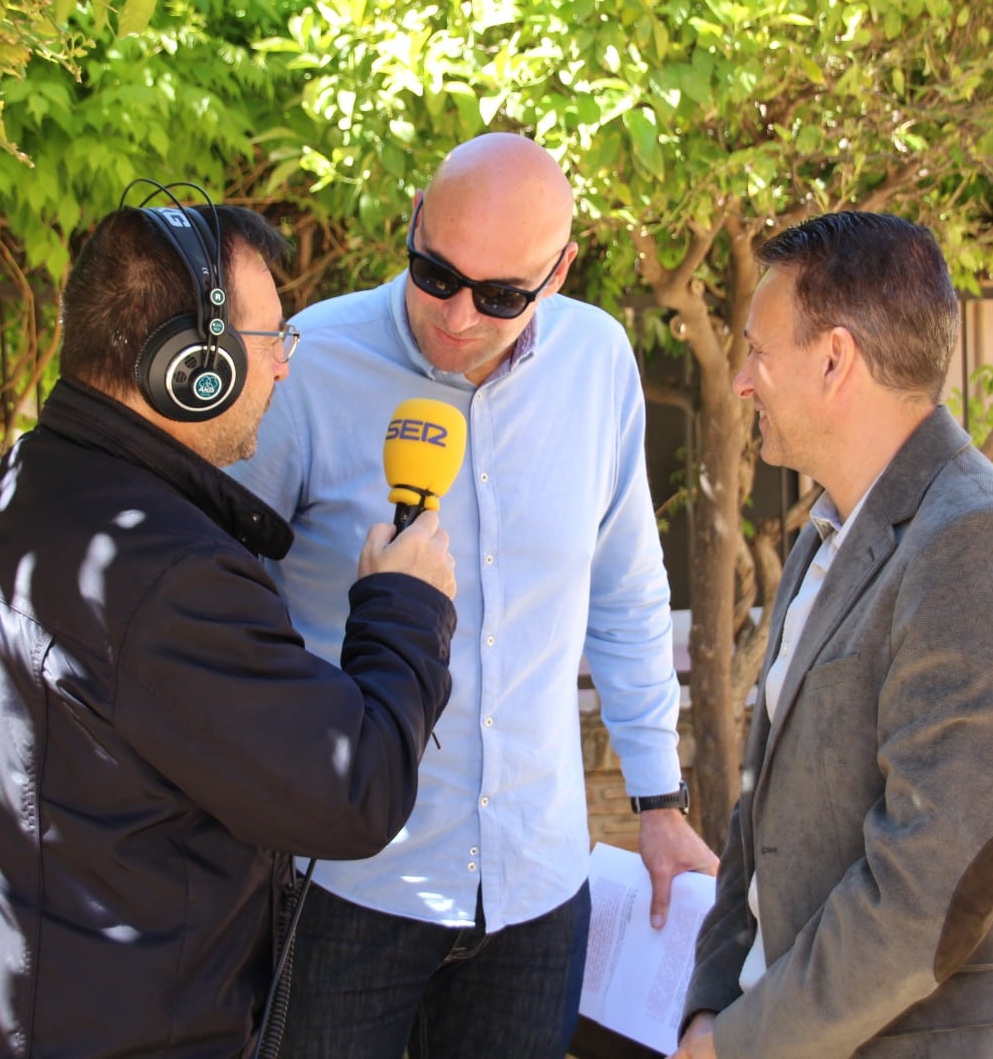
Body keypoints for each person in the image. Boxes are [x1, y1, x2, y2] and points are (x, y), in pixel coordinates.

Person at [0, 196, 459, 1058]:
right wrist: (409, 605)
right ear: (190, 364)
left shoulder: (8, 490)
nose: (284, 369)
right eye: (273, 338)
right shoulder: (168, 577)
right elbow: (355, 794)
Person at [226, 132, 718, 1058]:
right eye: (434, 272)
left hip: (536, 892)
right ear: (413, 222)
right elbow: (230, 604)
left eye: (499, 296)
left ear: (560, 272)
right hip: (342, 887)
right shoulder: (307, 366)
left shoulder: (600, 363)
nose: (455, 316)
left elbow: (625, 591)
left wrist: (660, 801)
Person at [673, 211, 993, 1058]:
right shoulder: (825, 537)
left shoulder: (985, 550)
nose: (743, 382)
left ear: (835, 360)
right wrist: (707, 1007)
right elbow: (756, 829)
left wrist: (738, 1044)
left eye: (759, 351)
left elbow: (930, 893)